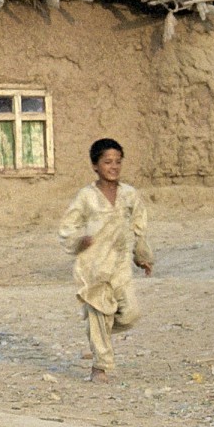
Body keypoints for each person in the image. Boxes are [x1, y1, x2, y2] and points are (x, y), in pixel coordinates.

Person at [57, 138, 153, 382]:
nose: (114, 167)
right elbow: (68, 227)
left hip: (119, 265)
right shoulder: (86, 196)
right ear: (95, 165)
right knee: (99, 311)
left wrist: (141, 256)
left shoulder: (129, 195)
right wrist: (79, 241)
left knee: (130, 313)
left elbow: (139, 227)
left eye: (118, 162)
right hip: (93, 266)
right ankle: (100, 367)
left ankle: (97, 333)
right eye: (107, 162)